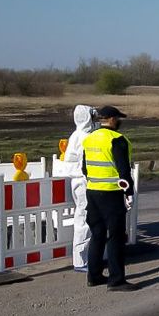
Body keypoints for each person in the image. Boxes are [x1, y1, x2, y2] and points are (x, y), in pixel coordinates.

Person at [82, 105, 139, 291]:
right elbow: (123, 171)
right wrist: (129, 192)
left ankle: (94, 275)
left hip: (92, 191)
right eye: (118, 118)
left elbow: (85, 168)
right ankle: (116, 280)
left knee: (97, 234)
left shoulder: (89, 139)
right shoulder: (117, 139)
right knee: (115, 236)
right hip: (111, 193)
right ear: (113, 119)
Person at [57, 105, 97, 272]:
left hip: (81, 180)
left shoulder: (77, 135)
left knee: (87, 218)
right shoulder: (83, 137)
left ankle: (87, 256)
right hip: (83, 181)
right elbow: (86, 162)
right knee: (84, 219)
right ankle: (80, 260)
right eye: (93, 118)